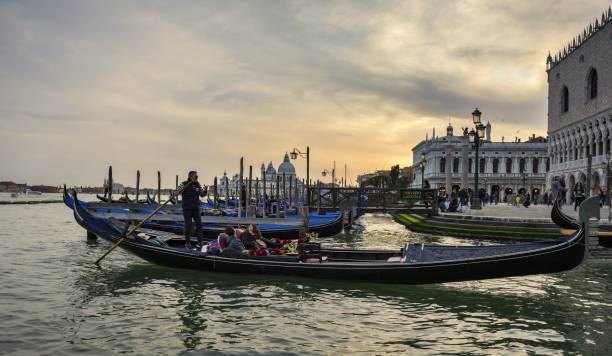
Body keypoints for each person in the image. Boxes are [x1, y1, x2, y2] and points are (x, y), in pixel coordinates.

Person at [178, 171, 207, 249]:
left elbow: (202, 195)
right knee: (188, 226)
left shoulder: (198, 184)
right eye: (195, 176)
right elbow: (177, 192)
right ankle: (187, 242)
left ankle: (200, 242)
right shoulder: (183, 184)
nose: (197, 177)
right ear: (190, 176)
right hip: (187, 208)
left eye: (197, 176)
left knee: (199, 225)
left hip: (196, 208)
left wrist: (205, 190)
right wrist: (185, 187)